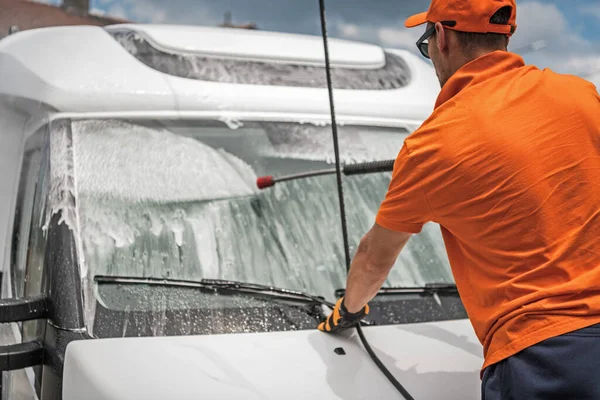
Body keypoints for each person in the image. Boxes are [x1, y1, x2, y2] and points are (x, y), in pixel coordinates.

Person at [317, 0, 600, 398]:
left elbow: (373, 257)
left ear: (442, 37)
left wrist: (347, 311)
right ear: (506, 33)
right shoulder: (582, 96)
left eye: (425, 41)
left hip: (544, 359)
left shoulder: (432, 147)